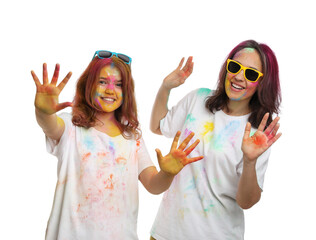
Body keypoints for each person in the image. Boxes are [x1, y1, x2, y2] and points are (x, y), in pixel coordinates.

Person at [31, 50, 203, 240]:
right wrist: (43, 111)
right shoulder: (72, 126)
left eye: (119, 84)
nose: (110, 90)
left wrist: (167, 173)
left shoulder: (131, 136)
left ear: (126, 91)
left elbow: (153, 185)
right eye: (103, 82)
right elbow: (50, 126)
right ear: (88, 85)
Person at [149, 40, 282, 239]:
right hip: (166, 233)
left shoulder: (257, 134)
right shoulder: (198, 99)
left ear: (263, 83)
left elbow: (246, 202)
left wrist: (250, 160)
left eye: (251, 74)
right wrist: (165, 88)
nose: (238, 77)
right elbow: (158, 126)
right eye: (235, 67)